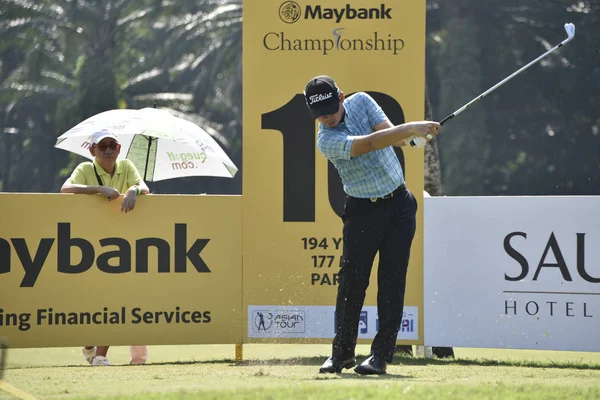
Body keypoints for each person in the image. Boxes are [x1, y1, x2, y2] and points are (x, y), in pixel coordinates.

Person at [303, 75, 441, 375]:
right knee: (352, 284)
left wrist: (415, 136)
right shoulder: (326, 139)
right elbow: (370, 143)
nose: (326, 117)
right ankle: (341, 355)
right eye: (319, 113)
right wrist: (411, 128)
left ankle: (380, 356)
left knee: (392, 281)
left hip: (400, 205)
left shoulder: (363, 101)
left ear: (341, 97)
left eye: (330, 108)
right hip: (363, 210)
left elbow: (391, 135)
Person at [61, 129, 150, 366]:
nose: (108, 150)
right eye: (103, 147)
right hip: (87, 245)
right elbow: (65, 189)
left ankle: (100, 355)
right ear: (92, 150)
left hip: (121, 244)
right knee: (91, 302)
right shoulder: (85, 169)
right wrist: (99, 189)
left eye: (113, 145)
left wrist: (133, 190)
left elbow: (144, 186)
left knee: (114, 299)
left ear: (119, 149)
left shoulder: (128, 167)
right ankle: (91, 347)